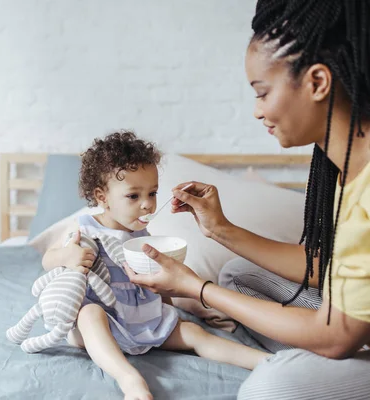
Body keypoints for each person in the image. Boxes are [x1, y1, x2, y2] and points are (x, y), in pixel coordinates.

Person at [126, 1, 370, 399]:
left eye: (263, 93)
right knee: (238, 274)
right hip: (350, 323)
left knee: (268, 388)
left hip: (342, 332)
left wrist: (195, 287)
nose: (257, 112)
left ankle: (307, 371)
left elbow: (337, 336)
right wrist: (220, 229)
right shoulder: (347, 166)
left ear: (318, 82)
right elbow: (330, 266)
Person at [42, 132, 269, 400]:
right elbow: (48, 258)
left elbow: (157, 283)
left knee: (193, 331)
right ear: (102, 197)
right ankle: (129, 378)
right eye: (133, 196)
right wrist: (68, 257)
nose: (147, 204)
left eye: (152, 193)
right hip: (103, 322)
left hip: (141, 319)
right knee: (90, 315)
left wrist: (167, 310)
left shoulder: (142, 237)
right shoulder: (84, 228)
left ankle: (267, 361)